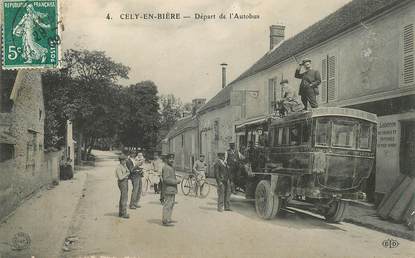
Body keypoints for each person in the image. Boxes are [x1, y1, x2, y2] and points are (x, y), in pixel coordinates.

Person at [161, 154, 181, 226]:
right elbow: (166, 179)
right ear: (166, 160)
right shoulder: (166, 168)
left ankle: (168, 218)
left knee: (171, 204)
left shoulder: (170, 167)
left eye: (172, 159)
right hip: (168, 189)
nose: (172, 160)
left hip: (171, 189)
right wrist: (176, 181)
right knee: (168, 204)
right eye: (170, 159)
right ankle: (165, 220)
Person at [115, 154, 130, 219]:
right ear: (121, 160)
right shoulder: (118, 167)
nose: (125, 161)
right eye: (124, 160)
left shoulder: (123, 166)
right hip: (122, 182)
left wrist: (126, 169)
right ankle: (124, 213)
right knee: (124, 198)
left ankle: (121, 212)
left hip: (125, 182)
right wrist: (126, 173)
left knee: (123, 197)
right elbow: (120, 177)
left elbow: (128, 171)